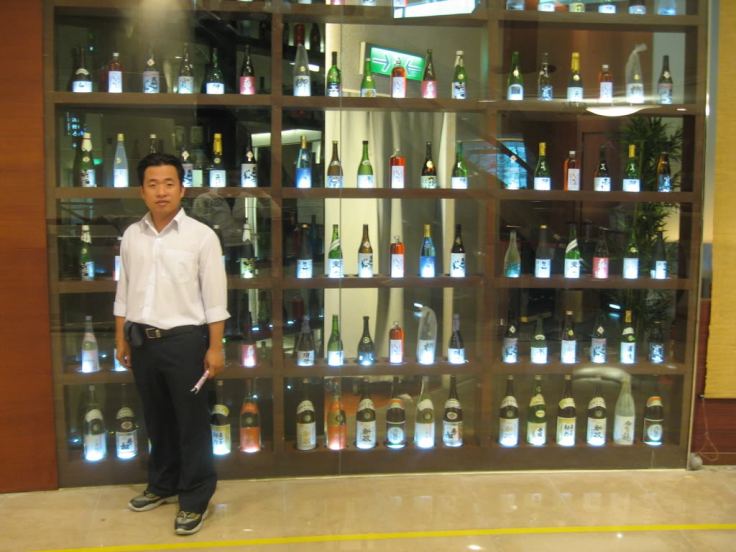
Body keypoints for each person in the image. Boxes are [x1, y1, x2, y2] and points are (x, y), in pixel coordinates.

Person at [114, 153, 228, 536]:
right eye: (152, 184)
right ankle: (162, 484)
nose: (161, 191)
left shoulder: (201, 237)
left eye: (168, 184)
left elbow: (215, 298)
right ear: (141, 191)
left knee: (191, 423)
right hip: (142, 341)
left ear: (182, 189)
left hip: (185, 343)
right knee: (157, 418)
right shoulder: (132, 236)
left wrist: (215, 347)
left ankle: (195, 498)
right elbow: (124, 291)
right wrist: (121, 337)